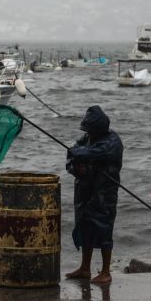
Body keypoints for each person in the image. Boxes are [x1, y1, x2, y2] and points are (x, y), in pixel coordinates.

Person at [64, 105, 123, 284]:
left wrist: (78, 155)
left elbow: (92, 152)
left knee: (104, 228)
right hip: (84, 191)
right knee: (85, 227)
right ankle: (84, 268)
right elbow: (72, 154)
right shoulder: (87, 138)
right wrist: (76, 167)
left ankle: (106, 271)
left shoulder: (112, 142)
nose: (88, 134)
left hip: (104, 192)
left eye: (91, 130)